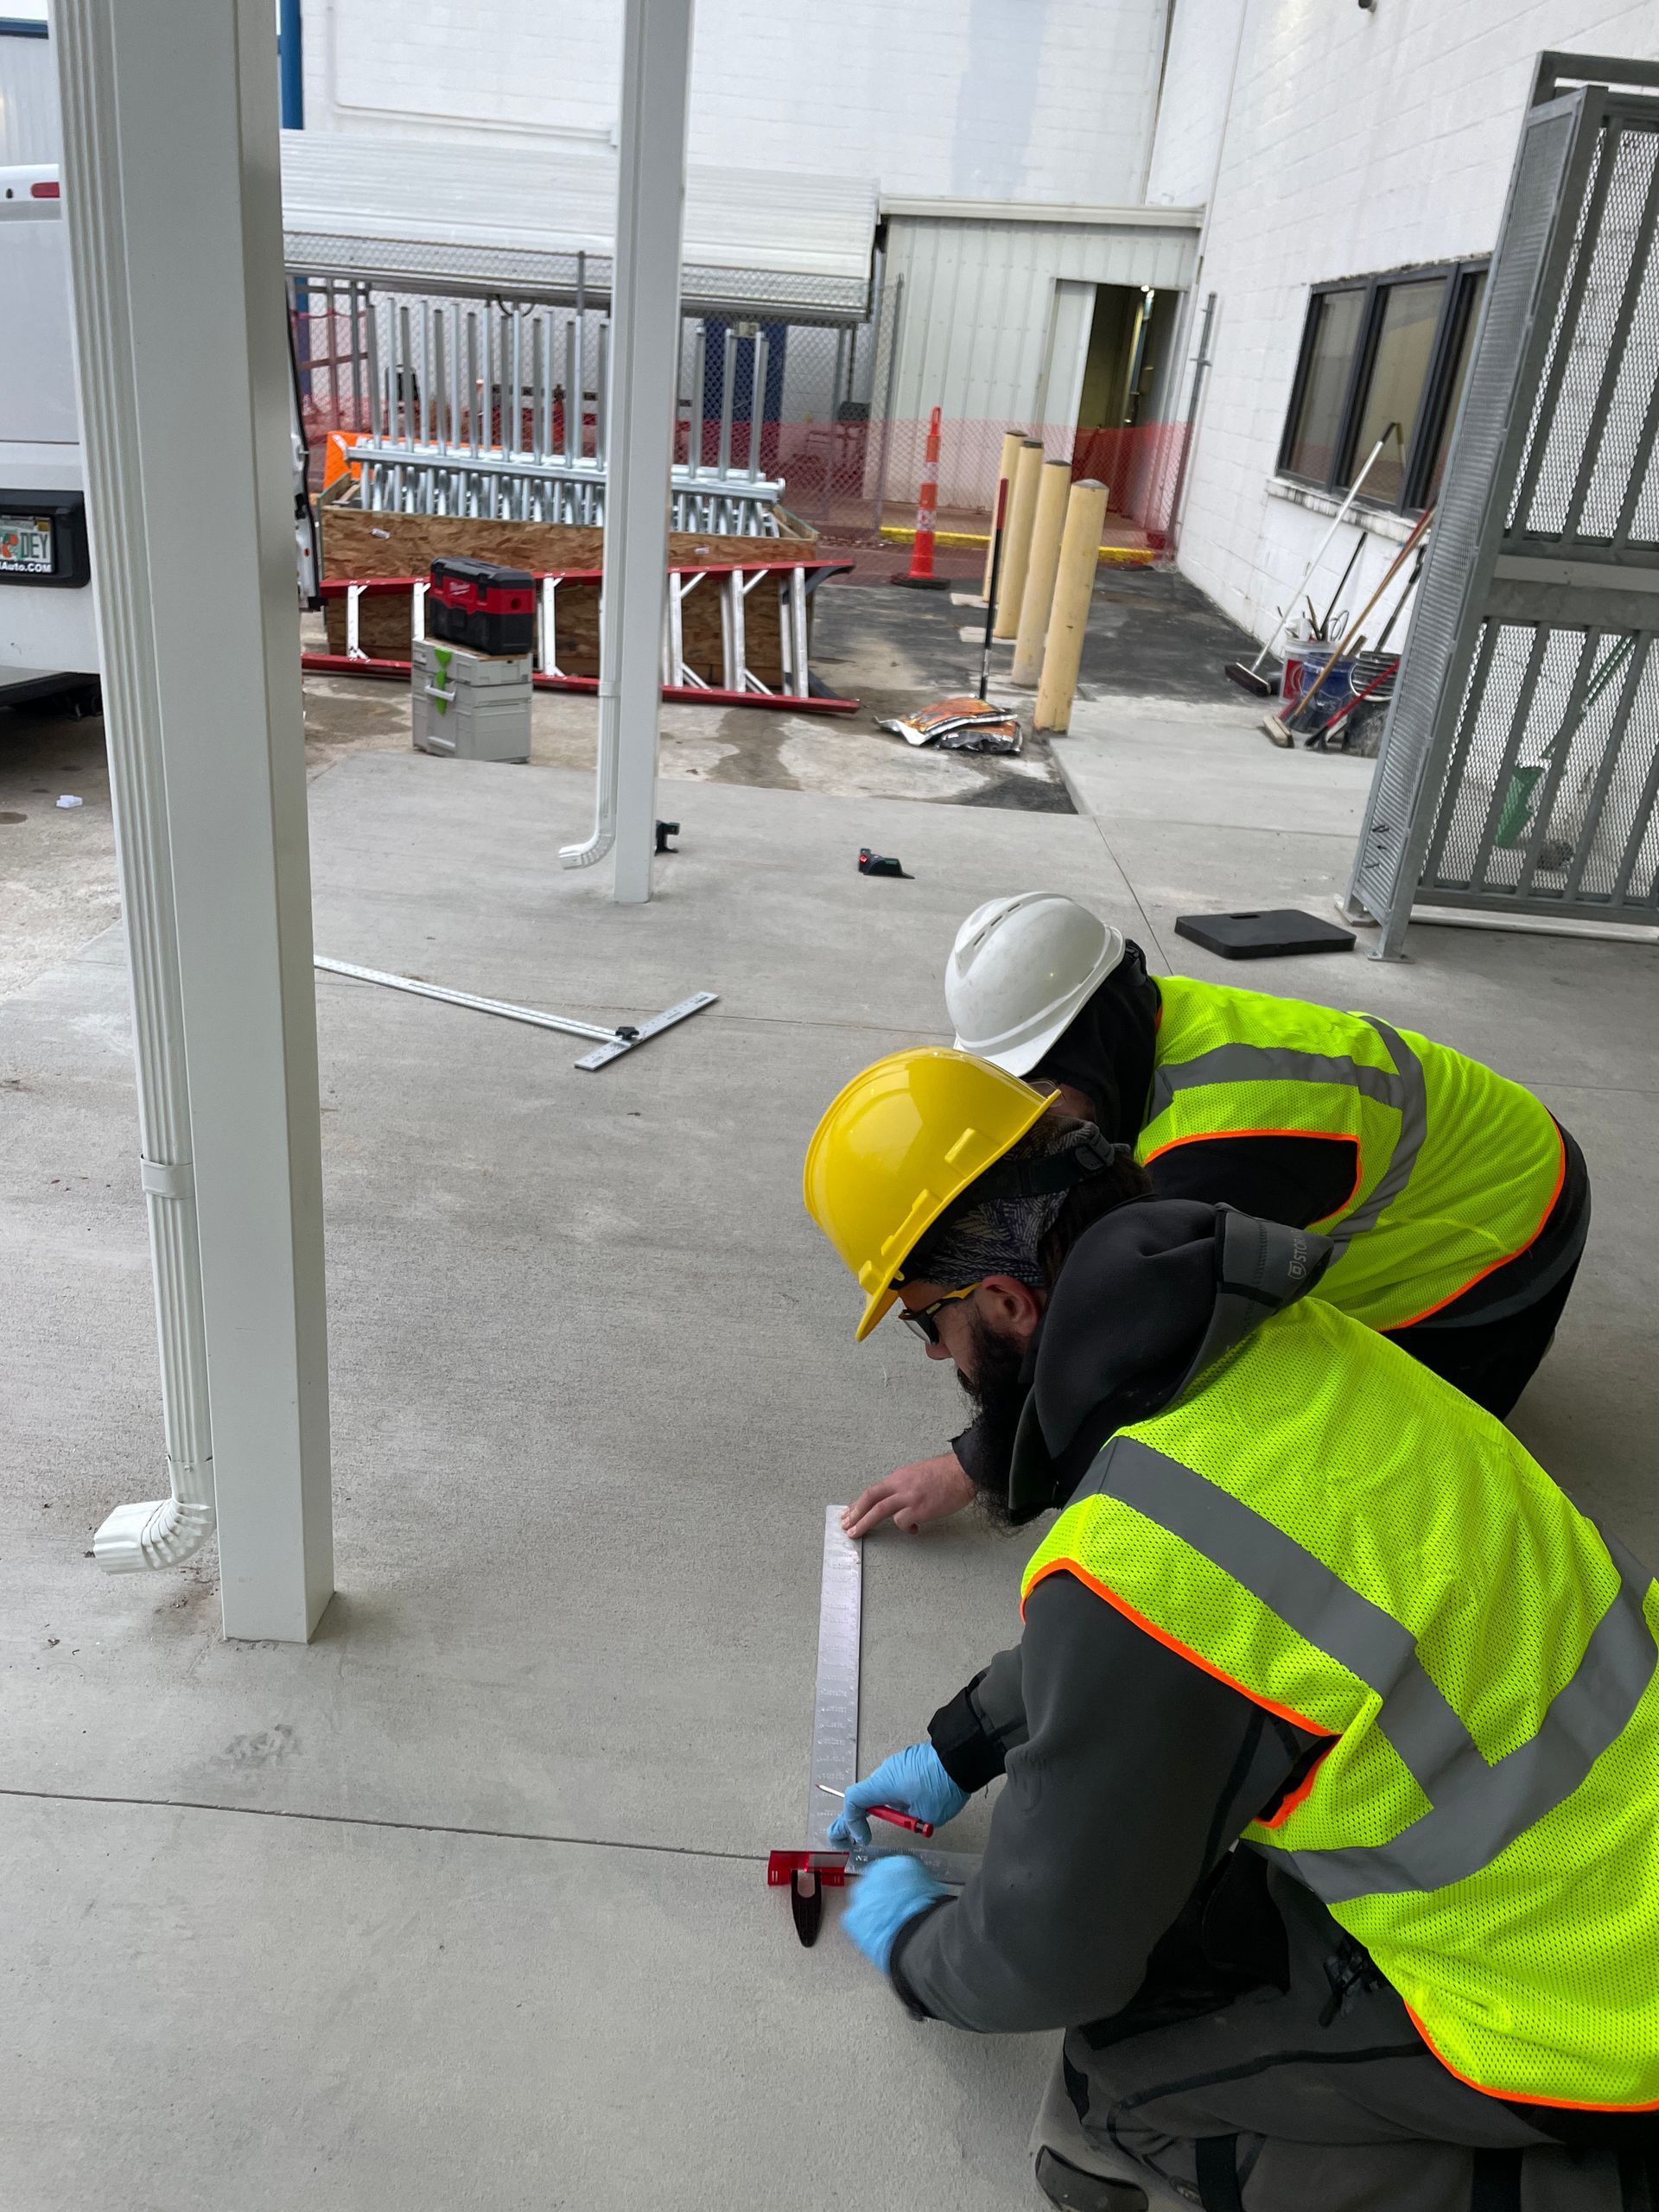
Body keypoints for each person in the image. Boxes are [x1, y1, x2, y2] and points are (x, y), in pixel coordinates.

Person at [803, 1047, 1658, 2212]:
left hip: (1599, 2000)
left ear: (1002, 1301)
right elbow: (1223, 1609)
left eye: (927, 1326)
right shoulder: (1294, 1345)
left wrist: (916, 1948)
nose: (944, 1363)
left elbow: (1048, 1956)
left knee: (1119, 2098)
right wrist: (965, 1743)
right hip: (1617, 1841)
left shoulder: (1147, 1555)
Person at [844, 893, 1590, 1540]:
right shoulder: (1142, 1024)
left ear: (1087, 1047)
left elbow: (1109, 1342)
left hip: (1510, 1236)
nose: (1035, 1116)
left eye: (1039, 1086)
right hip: (1481, 1152)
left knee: (1352, 1490)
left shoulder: (1218, 1142)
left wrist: (973, 1465)